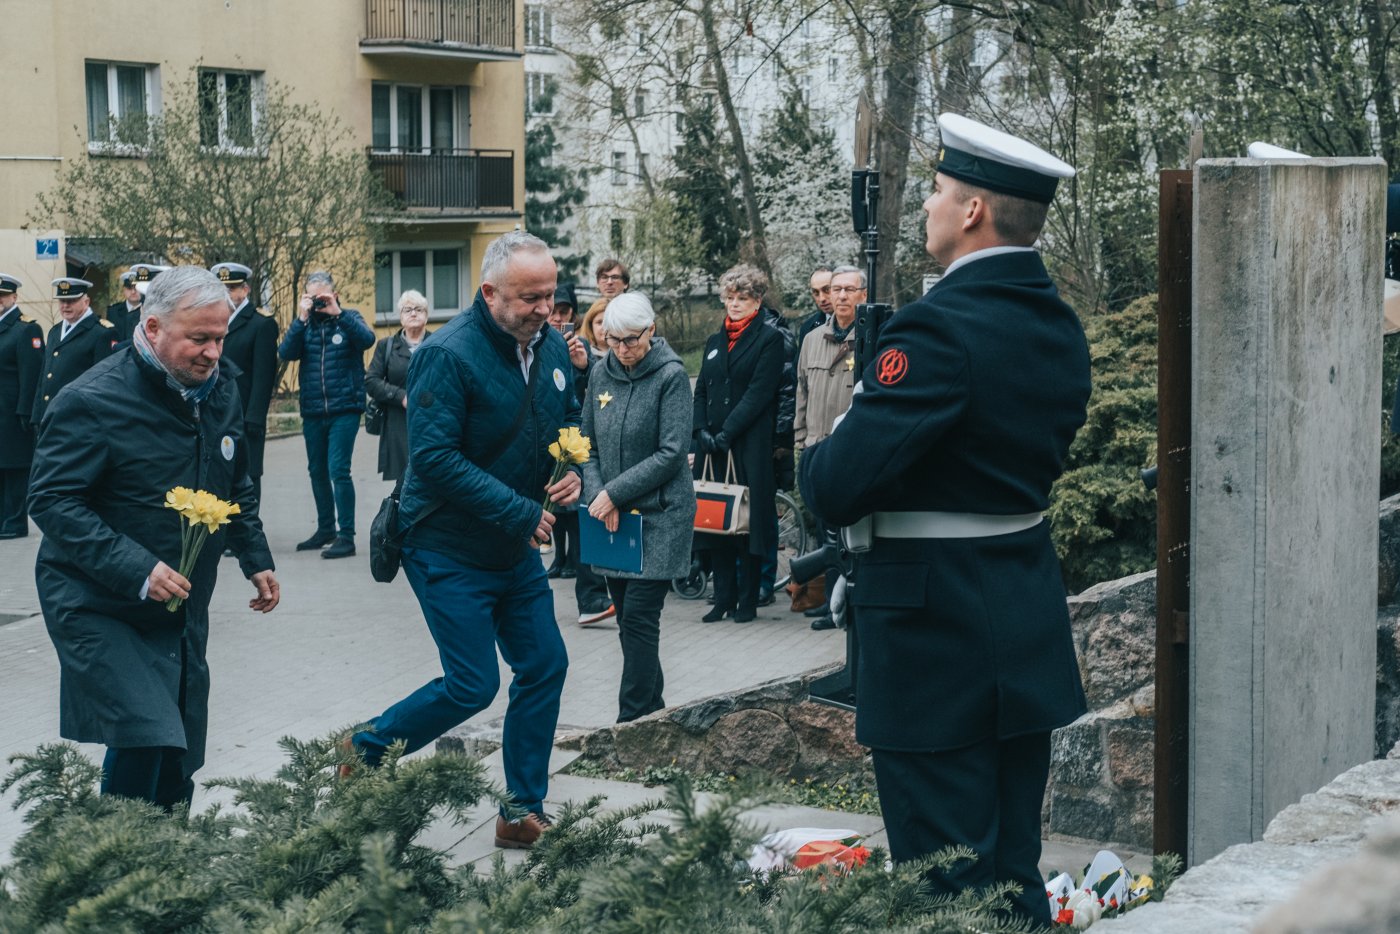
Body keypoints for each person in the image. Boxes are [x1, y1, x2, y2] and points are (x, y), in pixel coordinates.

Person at [799, 112, 1089, 928]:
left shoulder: (937, 328)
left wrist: (847, 424)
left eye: (935, 191)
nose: (926, 206)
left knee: (944, 890)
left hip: (935, 645)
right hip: (1018, 617)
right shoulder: (1055, 322)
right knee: (1009, 876)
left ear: (972, 211)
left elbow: (834, 487)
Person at [347, 231, 579, 850]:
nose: (544, 309)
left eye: (550, 295)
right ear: (490, 292)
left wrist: (576, 469)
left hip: (512, 548)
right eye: (530, 298)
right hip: (445, 546)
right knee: (473, 683)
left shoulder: (553, 345)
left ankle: (520, 810)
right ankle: (365, 749)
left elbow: (570, 418)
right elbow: (434, 458)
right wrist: (521, 512)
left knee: (545, 665)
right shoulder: (447, 354)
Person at [28, 264, 279, 810]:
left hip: (179, 603)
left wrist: (254, 555)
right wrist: (136, 567)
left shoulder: (220, 388)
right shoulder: (91, 399)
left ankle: (168, 854)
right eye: (199, 338)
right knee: (147, 731)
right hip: (99, 600)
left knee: (178, 748)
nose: (213, 353)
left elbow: (234, 479)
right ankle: (118, 851)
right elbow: (51, 501)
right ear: (153, 326)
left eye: (220, 337)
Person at [581, 292, 696, 722]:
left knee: (641, 619)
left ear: (651, 330)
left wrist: (615, 494)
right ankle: (654, 713)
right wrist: (600, 496)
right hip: (612, 516)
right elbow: (586, 443)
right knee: (628, 622)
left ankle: (628, 720)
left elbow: (671, 453)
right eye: (614, 340)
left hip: (661, 516)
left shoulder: (671, 376)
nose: (623, 349)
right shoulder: (601, 373)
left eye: (631, 339)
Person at [692, 264, 785, 623]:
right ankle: (723, 598)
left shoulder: (769, 339)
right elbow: (702, 390)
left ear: (757, 301)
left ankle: (747, 600)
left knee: (747, 523)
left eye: (742, 298)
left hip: (747, 445)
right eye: (730, 297)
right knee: (715, 522)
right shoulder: (715, 341)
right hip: (712, 448)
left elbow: (759, 394)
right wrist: (700, 430)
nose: (734, 304)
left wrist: (727, 432)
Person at [277, 270, 376, 559]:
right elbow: (286, 352)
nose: (319, 302)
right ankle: (325, 529)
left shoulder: (349, 317)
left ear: (334, 294)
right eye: (313, 298)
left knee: (338, 470)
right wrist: (301, 318)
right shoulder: (305, 326)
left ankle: (347, 536)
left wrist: (338, 312)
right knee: (317, 470)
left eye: (322, 297)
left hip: (345, 408)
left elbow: (367, 340)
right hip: (313, 409)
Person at [794, 264, 864, 631]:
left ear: (863, 295)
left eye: (849, 289)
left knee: (852, 535)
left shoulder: (871, 339)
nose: (840, 296)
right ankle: (828, 602)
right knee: (826, 535)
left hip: (851, 454)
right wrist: (800, 441)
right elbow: (801, 393)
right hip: (816, 450)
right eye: (836, 289)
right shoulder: (811, 340)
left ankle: (851, 601)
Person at [212, 262, 279, 504]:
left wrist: (254, 419)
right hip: (217, 411)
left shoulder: (260, 324)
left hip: (245, 415)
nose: (227, 294)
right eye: (222, 289)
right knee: (219, 474)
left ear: (245, 289)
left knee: (248, 477)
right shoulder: (213, 321)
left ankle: (248, 525)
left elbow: (263, 377)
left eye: (232, 288)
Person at [30, 278, 119, 428]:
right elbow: (44, 376)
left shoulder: (101, 333)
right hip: (50, 417)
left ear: (86, 302)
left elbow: (104, 384)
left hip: (79, 420)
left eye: (71, 301)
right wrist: (37, 416)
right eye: (62, 301)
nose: (65, 306)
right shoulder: (55, 331)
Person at [366, 289, 430, 482]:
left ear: (426, 315)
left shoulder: (439, 342)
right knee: (404, 483)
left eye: (419, 309)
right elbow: (371, 381)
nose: (413, 313)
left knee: (432, 478)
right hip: (397, 423)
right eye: (407, 310)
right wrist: (401, 397)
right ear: (401, 317)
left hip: (431, 420)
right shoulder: (386, 346)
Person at [0, 274, 42, 538]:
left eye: (3, 296)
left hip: (13, 414)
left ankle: (15, 523)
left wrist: (26, 412)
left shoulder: (26, 329)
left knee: (15, 469)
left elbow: (32, 375)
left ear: (14, 297)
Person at [797, 265, 834, 350]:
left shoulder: (859, 322)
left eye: (827, 290)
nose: (822, 299)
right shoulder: (807, 328)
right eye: (816, 292)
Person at [105, 270, 144, 344]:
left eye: (136, 288)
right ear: (124, 290)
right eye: (129, 288)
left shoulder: (147, 311)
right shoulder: (113, 311)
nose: (133, 292)